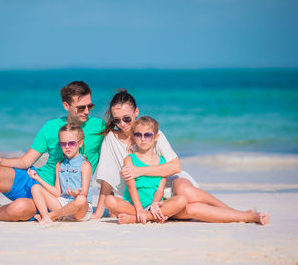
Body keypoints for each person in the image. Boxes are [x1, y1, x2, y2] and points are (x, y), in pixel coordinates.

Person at [93, 89, 269, 225]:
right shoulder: (112, 139)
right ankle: (247, 216)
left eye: (126, 118)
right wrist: (99, 211)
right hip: (143, 195)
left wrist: (139, 171)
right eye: (117, 120)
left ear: (136, 112)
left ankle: (234, 212)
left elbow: (175, 167)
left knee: (185, 191)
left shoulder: (153, 134)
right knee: (191, 209)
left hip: (168, 181)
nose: (122, 124)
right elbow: (107, 179)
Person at [0, 81, 105, 221]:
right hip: (35, 180)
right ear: (66, 106)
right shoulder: (50, 126)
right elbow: (26, 161)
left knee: (19, 208)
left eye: (90, 106)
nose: (87, 111)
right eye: (81, 108)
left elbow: (122, 137)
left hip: (57, 198)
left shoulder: (100, 128)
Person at [105, 116, 187, 224]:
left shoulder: (162, 162)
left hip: (153, 206)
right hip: (133, 205)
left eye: (147, 135)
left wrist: (155, 203)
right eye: (138, 135)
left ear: (156, 137)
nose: (143, 139)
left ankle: (137, 218)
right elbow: (131, 187)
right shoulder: (129, 159)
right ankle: (150, 217)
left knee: (182, 200)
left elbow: (160, 190)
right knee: (109, 201)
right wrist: (139, 209)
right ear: (134, 137)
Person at [29, 124, 93, 224]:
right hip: (62, 204)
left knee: (81, 199)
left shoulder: (85, 165)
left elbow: (84, 194)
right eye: (63, 144)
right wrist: (37, 178)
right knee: (35, 187)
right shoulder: (59, 165)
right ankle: (46, 217)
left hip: (80, 209)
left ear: (80, 143)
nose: (67, 147)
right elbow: (57, 193)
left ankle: (52, 216)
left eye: (71, 143)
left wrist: (76, 195)